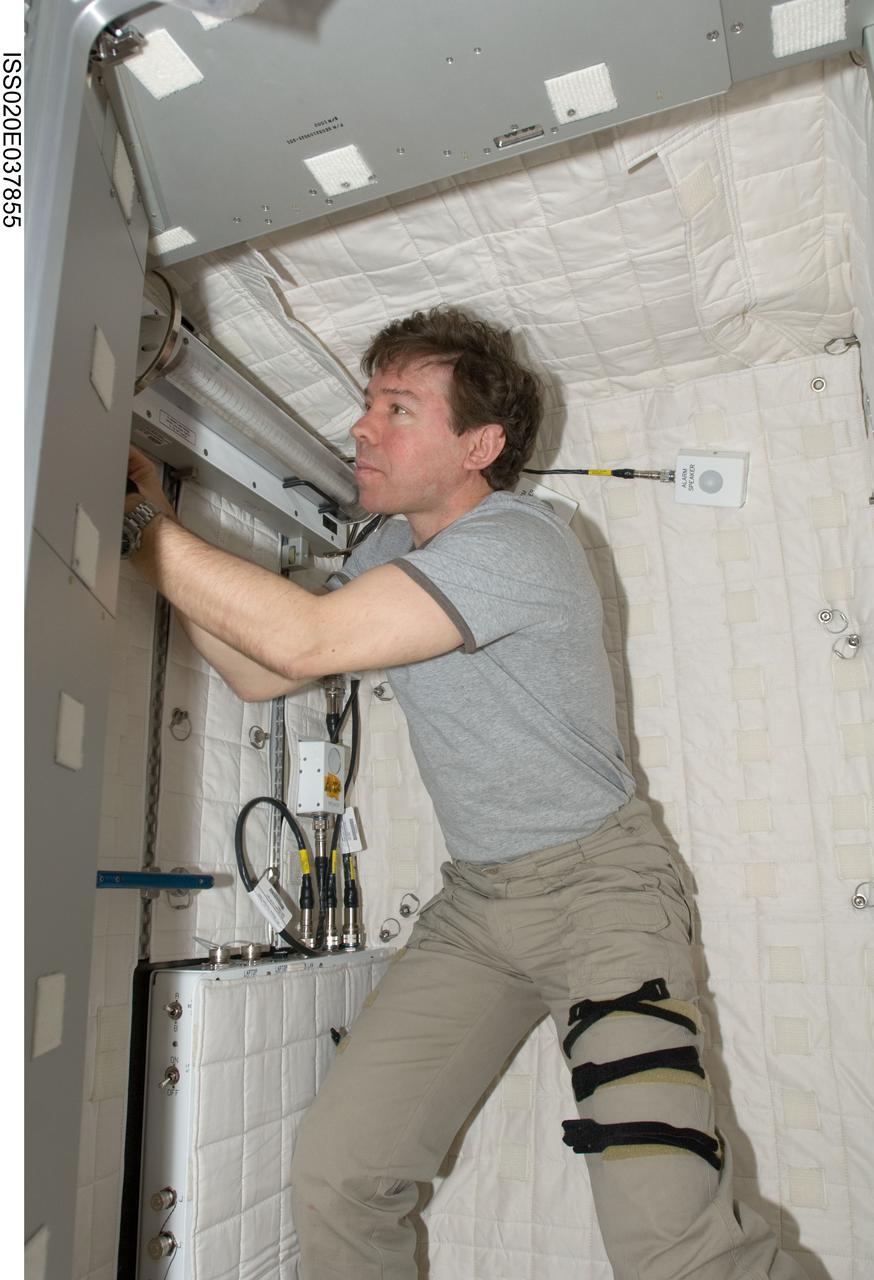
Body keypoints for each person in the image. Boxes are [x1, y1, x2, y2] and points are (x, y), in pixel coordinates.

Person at [125, 307, 807, 1280]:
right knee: (340, 1172)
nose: (362, 426)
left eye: (397, 408)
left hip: (604, 900)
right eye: (367, 403)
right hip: (477, 910)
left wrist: (146, 527)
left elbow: (301, 644)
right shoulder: (379, 553)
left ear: (480, 444)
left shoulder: (520, 541)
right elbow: (259, 673)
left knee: (675, 1241)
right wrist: (151, 541)